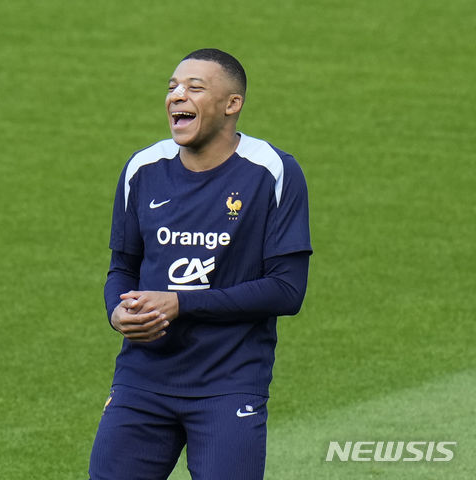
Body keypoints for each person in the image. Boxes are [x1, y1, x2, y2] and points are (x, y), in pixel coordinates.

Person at [88, 48, 312, 480]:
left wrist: (180, 304)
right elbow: (123, 267)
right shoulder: (143, 168)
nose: (177, 95)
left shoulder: (272, 171)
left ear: (232, 105)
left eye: (194, 87)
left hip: (228, 384)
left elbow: (287, 290)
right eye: (172, 86)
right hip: (142, 381)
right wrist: (116, 312)